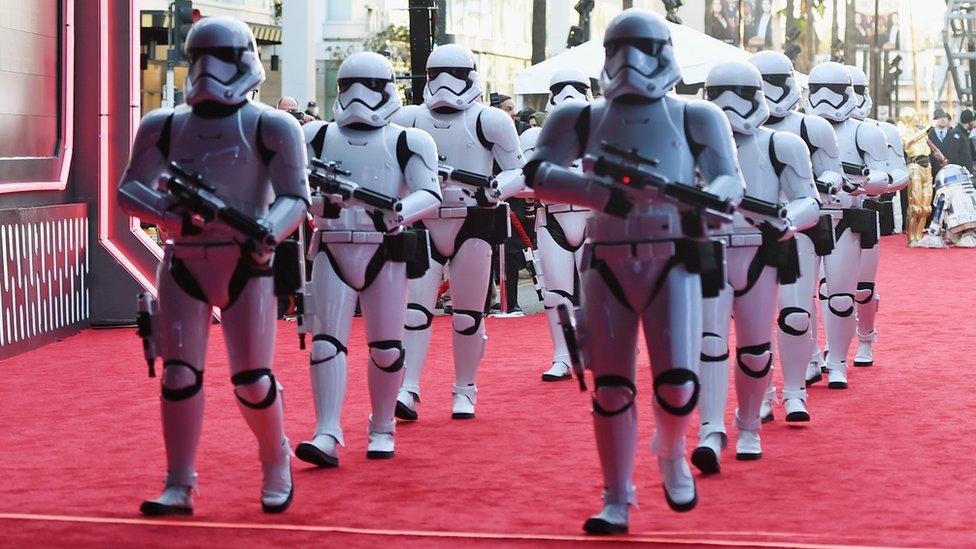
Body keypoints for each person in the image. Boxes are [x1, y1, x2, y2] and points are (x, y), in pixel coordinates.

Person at [526, 9, 745, 534]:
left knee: (677, 384)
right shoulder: (580, 117)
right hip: (606, 259)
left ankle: (670, 448)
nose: (630, 61)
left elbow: (728, 181)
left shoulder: (698, 116)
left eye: (642, 46)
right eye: (618, 48)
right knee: (611, 387)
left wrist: (705, 202)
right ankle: (617, 496)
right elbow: (537, 172)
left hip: (675, 256)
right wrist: (598, 192)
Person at [119, 16, 309, 515]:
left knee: (252, 378)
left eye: (221, 57)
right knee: (179, 374)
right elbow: (129, 191)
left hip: (246, 261)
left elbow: (295, 197)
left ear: (243, 61)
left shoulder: (272, 125)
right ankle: (179, 482)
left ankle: (276, 461)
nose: (209, 70)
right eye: (200, 57)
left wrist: (267, 228)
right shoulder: (163, 126)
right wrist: (169, 211)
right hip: (183, 259)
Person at [295, 52, 441, 467]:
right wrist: (322, 202)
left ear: (388, 89)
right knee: (326, 342)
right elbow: (295, 188)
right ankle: (327, 431)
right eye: (349, 85)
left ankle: (382, 426)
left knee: (386, 345)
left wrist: (396, 210)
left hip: (385, 247)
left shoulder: (409, 140)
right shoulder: (316, 138)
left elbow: (428, 192)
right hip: (333, 243)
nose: (359, 95)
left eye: (370, 85)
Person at [694, 61, 818, 472]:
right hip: (709, 250)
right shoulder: (689, 145)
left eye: (739, 94)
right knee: (709, 343)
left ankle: (749, 425)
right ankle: (710, 430)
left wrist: (787, 218)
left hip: (760, 251)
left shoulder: (781, 145)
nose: (729, 106)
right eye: (719, 95)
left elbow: (809, 201)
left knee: (754, 347)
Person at [393, 44, 525, 421]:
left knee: (468, 314)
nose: (447, 83)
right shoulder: (410, 118)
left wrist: (496, 189)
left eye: (456, 73)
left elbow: (517, 168)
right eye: (439, 74)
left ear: (471, 76)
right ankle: (408, 388)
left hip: (474, 219)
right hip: (425, 217)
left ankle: (465, 388)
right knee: (415, 311)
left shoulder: (490, 120)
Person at [750, 50, 843, 423]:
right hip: (744, 233)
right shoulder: (719, 132)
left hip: (795, 229)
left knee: (795, 314)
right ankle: (760, 392)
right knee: (753, 321)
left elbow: (830, 175)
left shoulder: (810, 129)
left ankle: (793, 392)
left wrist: (829, 184)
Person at [805, 61, 893, 390]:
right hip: (808, 218)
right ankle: (811, 356)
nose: (826, 99)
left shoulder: (867, 131)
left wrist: (870, 182)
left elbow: (890, 173)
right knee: (799, 299)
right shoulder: (798, 128)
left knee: (847, 294)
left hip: (848, 217)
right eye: (818, 91)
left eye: (836, 91)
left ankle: (841, 356)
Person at [519, 68, 592, 382]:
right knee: (555, 294)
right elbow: (522, 180)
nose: (568, 94)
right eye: (561, 88)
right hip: (552, 217)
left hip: (593, 218)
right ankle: (563, 355)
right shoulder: (533, 138)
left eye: (575, 87)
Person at [845, 66, 909, 368]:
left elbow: (901, 174)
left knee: (863, 287)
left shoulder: (884, 130)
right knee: (820, 289)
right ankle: (826, 352)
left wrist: (877, 181)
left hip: (866, 211)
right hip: (826, 212)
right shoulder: (816, 128)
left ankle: (866, 335)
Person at [929, 108, 973, 173]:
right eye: (939, 117)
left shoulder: (954, 134)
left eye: (944, 117)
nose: (943, 119)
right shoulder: (929, 135)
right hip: (934, 172)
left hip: (951, 172)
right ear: (934, 120)